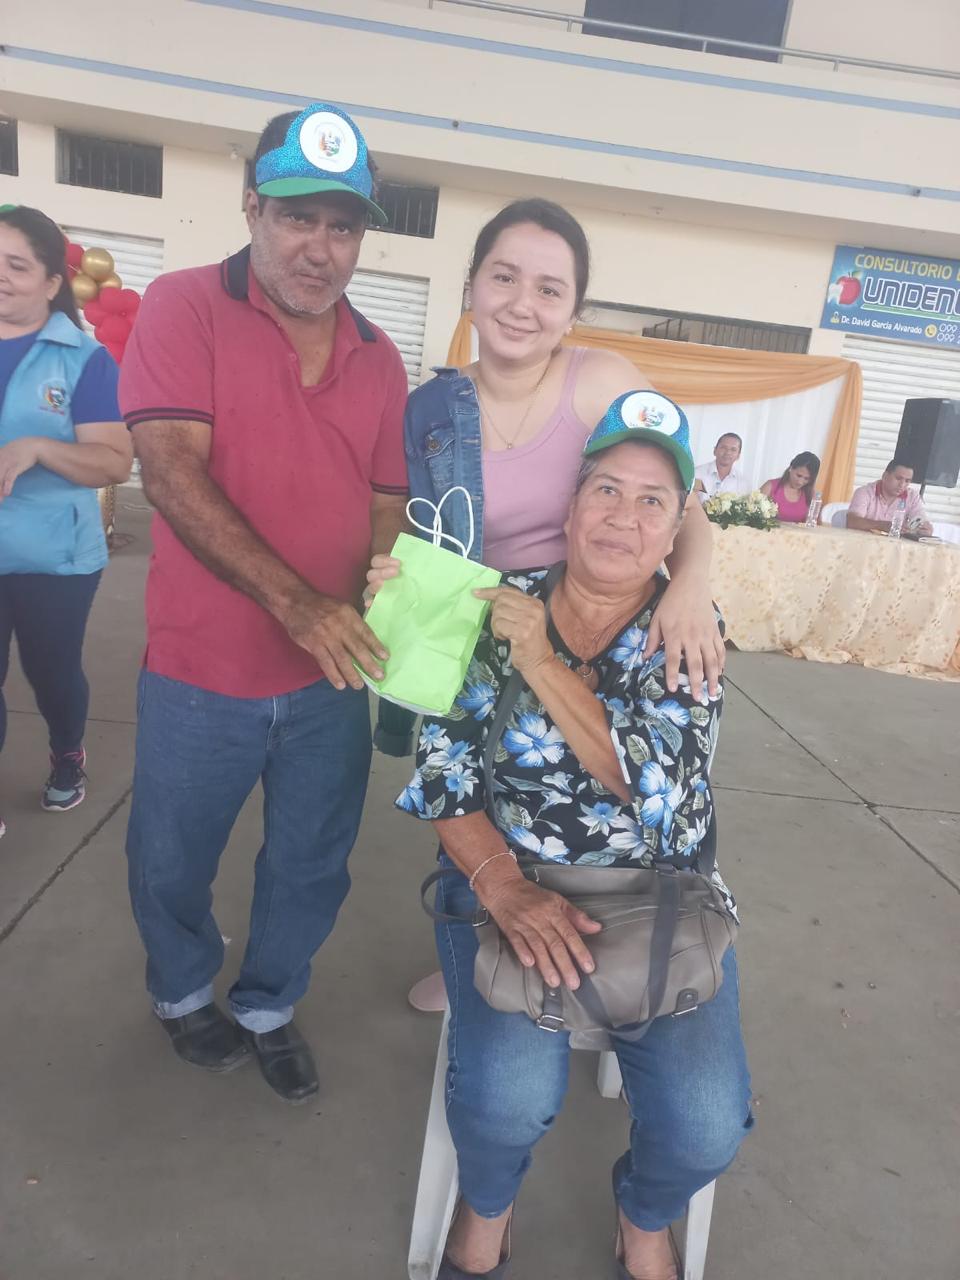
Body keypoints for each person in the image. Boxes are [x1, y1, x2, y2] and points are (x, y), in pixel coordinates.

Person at [396, 391, 750, 1280]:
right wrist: (502, 886)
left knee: (706, 1124)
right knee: (506, 1099)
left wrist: (541, 661)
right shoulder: (495, 603)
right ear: (570, 505)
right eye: (606, 489)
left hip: (660, 895)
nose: (623, 517)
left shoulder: (689, 629)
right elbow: (443, 772)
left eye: (651, 501)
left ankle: (645, 1213)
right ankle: (487, 1206)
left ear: (676, 530)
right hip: (507, 879)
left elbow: (651, 787)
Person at [118, 103, 409, 1103]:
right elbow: (169, 472)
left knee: (311, 862)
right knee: (171, 855)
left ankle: (268, 1004)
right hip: (201, 667)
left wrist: (391, 586)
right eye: (297, 217)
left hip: (333, 678)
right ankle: (181, 988)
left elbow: (388, 503)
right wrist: (299, 604)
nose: (319, 248)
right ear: (251, 207)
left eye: (343, 226)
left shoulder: (380, 356)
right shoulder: (184, 307)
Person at [369, 198, 723, 1013]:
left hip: (593, 616)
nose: (522, 304)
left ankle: (631, 934)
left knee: (618, 790)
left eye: (549, 289)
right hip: (479, 632)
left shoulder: (598, 380)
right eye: (504, 277)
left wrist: (692, 587)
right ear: (471, 285)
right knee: (469, 789)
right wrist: (391, 579)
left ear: (574, 309)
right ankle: (478, 940)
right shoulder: (433, 408)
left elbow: (681, 498)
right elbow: (418, 532)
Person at [0, 205, 131, 840]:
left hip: (55, 558)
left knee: (51, 672)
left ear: (53, 282)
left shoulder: (84, 360)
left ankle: (67, 751)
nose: (1, 276)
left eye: (16, 265)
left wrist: (38, 448)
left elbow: (113, 460)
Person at [847, 457, 933, 536]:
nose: (902, 485)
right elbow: (852, 522)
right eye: (898, 478)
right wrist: (882, 525)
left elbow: (922, 522)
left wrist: (924, 529)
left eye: (907, 481)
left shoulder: (912, 497)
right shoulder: (864, 492)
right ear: (885, 476)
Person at [760, 450, 820, 523]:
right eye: (799, 475)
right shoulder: (770, 487)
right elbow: (753, 516)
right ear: (791, 468)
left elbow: (814, 524)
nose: (800, 482)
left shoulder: (811, 495)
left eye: (806, 479)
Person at [692, 431, 748, 501]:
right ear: (715, 450)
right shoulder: (697, 474)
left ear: (738, 456)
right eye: (724, 447)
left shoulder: (743, 483)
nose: (728, 452)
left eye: (733, 449)